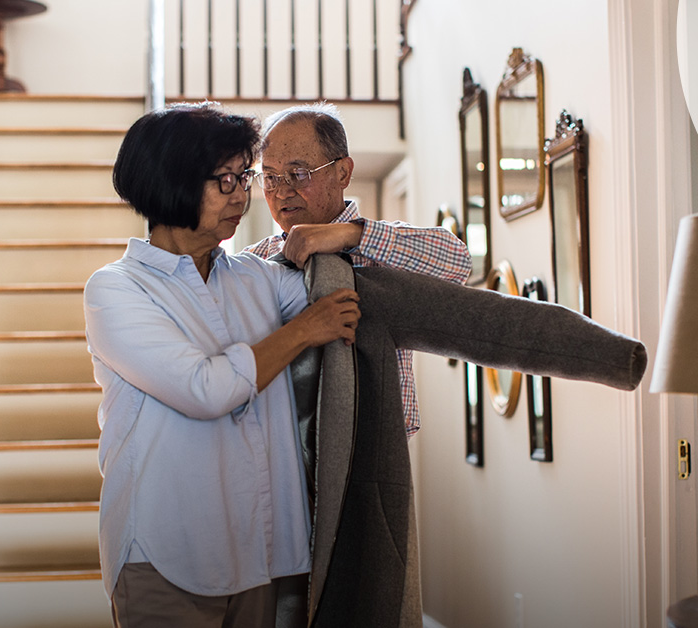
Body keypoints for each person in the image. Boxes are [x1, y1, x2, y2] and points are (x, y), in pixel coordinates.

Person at [84, 102, 360, 628]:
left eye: (244, 177)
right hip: (162, 553)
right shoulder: (116, 289)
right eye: (225, 180)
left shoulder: (257, 277)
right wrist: (305, 329)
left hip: (257, 550)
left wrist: (351, 234)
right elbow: (204, 389)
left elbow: (356, 286)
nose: (244, 194)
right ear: (173, 183)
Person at [245, 103, 472, 438]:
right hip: (279, 452)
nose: (281, 191)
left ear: (343, 173)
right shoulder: (257, 260)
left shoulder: (379, 247)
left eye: (299, 173)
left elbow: (458, 263)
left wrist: (352, 234)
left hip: (375, 451)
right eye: (270, 177)